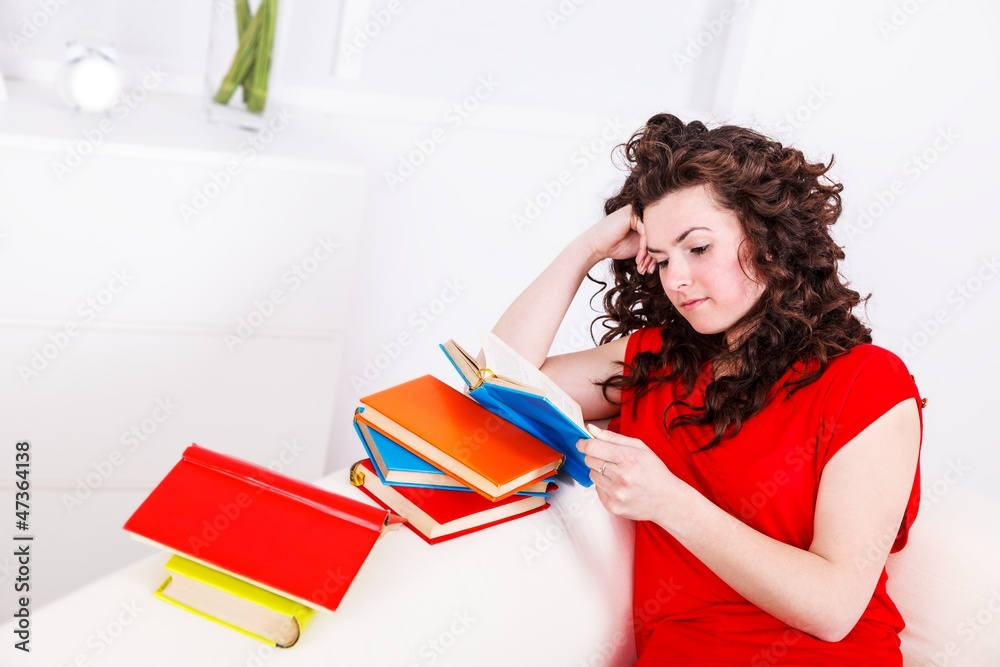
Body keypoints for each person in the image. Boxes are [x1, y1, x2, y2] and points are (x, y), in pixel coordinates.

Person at [485, 113, 925, 665]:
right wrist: (588, 249)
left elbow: (833, 609)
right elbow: (497, 385)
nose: (676, 279)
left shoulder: (866, 380)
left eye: (697, 248)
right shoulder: (655, 363)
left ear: (767, 238)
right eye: (663, 258)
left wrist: (669, 502)